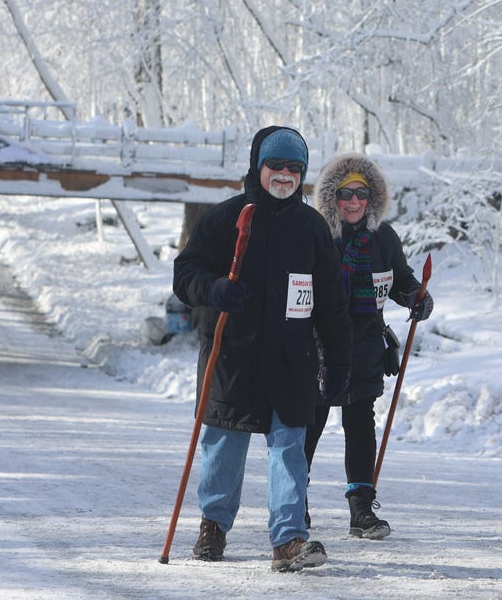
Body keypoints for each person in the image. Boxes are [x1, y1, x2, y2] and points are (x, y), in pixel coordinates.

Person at [173, 125, 353, 572]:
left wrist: (339, 361)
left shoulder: (311, 228)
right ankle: (213, 525)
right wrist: (214, 289)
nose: (285, 175)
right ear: (258, 166)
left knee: (290, 447)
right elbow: (185, 275)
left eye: (295, 168)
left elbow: (331, 302)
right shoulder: (226, 218)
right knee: (224, 445)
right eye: (276, 165)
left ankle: (288, 538)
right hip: (232, 355)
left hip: (291, 360)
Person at [303, 152, 435, 540]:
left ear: (372, 198)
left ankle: (361, 508)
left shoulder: (383, 238)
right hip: (321, 349)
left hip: (364, 348)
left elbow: (401, 280)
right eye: (346, 194)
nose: (354, 201)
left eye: (362, 194)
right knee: (309, 426)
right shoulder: (318, 235)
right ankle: (295, 502)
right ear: (333, 198)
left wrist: (416, 297)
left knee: (360, 426)